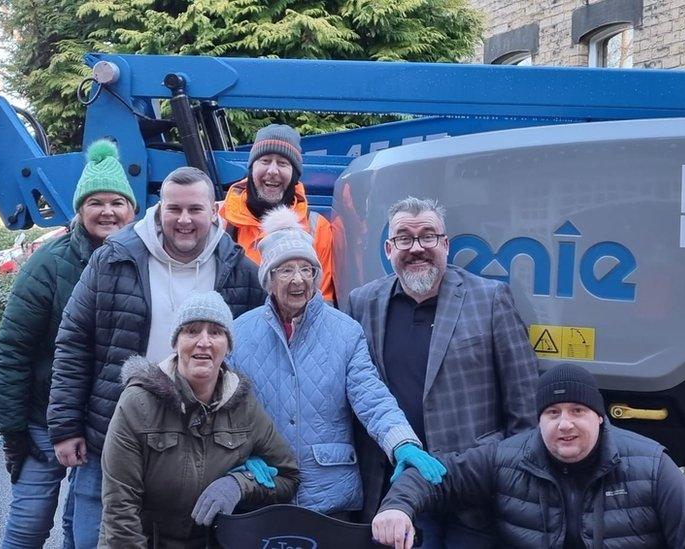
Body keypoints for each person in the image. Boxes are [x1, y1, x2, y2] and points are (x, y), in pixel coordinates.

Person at [48, 166, 266, 548]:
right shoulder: (114, 261)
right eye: (174, 209)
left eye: (195, 210)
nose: (184, 220)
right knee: (94, 537)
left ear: (214, 212)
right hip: (111, 430)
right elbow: (74, 340)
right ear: (158, 209)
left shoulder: (240, 273)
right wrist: (66, 425)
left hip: (200, 447)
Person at [228, 206, 444, 519]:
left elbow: (370, 396)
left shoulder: (344, 330)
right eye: (286, 270)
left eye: (307, 270)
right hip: (263, 491)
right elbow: (226, 409)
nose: (299, 280)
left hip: (332, 497)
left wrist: (402, 443)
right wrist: (238, 454)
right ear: (268, 279)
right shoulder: (240, 332)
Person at [346, 196, 538, 546]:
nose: (416, 247)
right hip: (396, 492)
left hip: (474, 497)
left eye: (428, 236)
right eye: (404, 238)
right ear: (389, 248)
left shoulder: (491, 298)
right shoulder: (363, 303)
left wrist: (513, 483)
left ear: (445, 244)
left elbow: (523, 405)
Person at [372, 362, 685, 549]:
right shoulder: (506, 459)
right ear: (538, 420)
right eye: (552, 413)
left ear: (599, 417)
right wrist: (396, 508)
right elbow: (433, 476)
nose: (565, 424)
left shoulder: (652, 469)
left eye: (577, 411)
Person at [0, 139, 136, 549]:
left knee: (85, 523)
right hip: (44, 416)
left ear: (133, 210)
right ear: (79, 210)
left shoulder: (139, 261)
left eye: (116, 202)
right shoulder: (48, 265)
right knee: (30, 522)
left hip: (101, 418)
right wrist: (14, 432)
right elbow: (13, 350)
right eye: (95, 203)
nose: (107, 211)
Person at [99, 291, 299, 548]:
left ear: (228, 346)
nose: (204, 341)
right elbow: (119, 510)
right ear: (176, 342)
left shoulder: (244, 407)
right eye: (192, 331)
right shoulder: (138, 404)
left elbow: (288, 476)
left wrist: (240, 484)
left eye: (215, 332)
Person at [219, 123, 336, 302]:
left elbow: (323, 302)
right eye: (265, 160)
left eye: (283, 163)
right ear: (251, 169)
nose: (272, 171)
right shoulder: (219, 218)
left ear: (294, 176)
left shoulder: (317, 227)